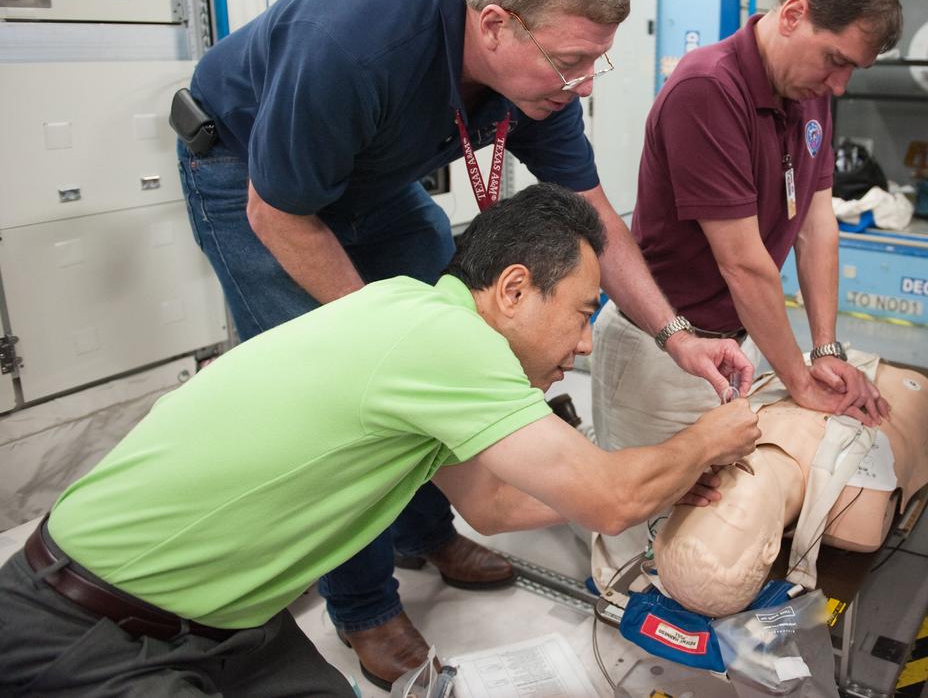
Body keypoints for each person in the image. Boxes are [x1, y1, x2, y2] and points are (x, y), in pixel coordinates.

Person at [176, 0, 753, 685]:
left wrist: (674, 333)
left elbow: (596, 217)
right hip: (251, 181)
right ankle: (364, 605)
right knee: (353, 389)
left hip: (372, 186)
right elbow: (276, 210)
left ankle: (423, 528)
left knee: (447, 331)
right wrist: (388, 336)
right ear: (493, 26)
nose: (583, 84)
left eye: (595, 63)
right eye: (572, 61)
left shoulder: (536, 83)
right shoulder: (358, 40)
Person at [0, 184, 762, 697]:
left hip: (218, 618)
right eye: (583, 311)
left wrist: (668, 481)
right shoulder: (448, 342)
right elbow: (606, 496)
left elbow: (493, 503)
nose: (586, 343)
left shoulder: (414, 314)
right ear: (515, 288)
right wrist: (708, 435)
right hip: (83, 622)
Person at [589, 0, 903, 586]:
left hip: (734, 347)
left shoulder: (809, 90)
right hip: (663, 351)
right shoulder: (709, 89)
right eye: (835, 59)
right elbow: (745, 263)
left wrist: (826, 348)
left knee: (705, 525)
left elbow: (818, 224)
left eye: (854, 70)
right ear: (792, 15)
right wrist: (801, 376)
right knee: (635, 546)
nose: (839, 84)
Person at [653, 359, 928, 617]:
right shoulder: (858, 508)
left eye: (701, 502)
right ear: (771, 545)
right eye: (732, 510)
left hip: (817, 362)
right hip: (905, 383)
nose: (724, 486)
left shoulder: (716, 438)